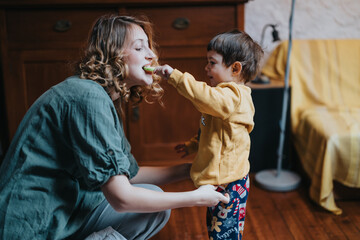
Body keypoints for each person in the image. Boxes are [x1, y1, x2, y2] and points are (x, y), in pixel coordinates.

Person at [0, 15, 230, 240]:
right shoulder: (87, 97)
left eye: (150, 48)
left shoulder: (100, 96)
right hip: (33, 224)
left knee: (153, 203)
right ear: (113, 54)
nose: (152, 55)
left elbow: (131, 175)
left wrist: (192, 170)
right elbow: (122, 198)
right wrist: (195, 198)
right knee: (152, 203)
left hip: (64, 211)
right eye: (140, 48)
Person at [154, 30, 264, 240]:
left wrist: (174, 76)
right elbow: (213, 132)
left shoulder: (233, 97)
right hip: (222, 180)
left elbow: (203, 96)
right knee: (215, 227)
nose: (206, 68)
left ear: (235, 68)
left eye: (212, 62)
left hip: (231, 184)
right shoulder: (223, 99)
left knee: (223, 234)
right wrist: (193, 145)